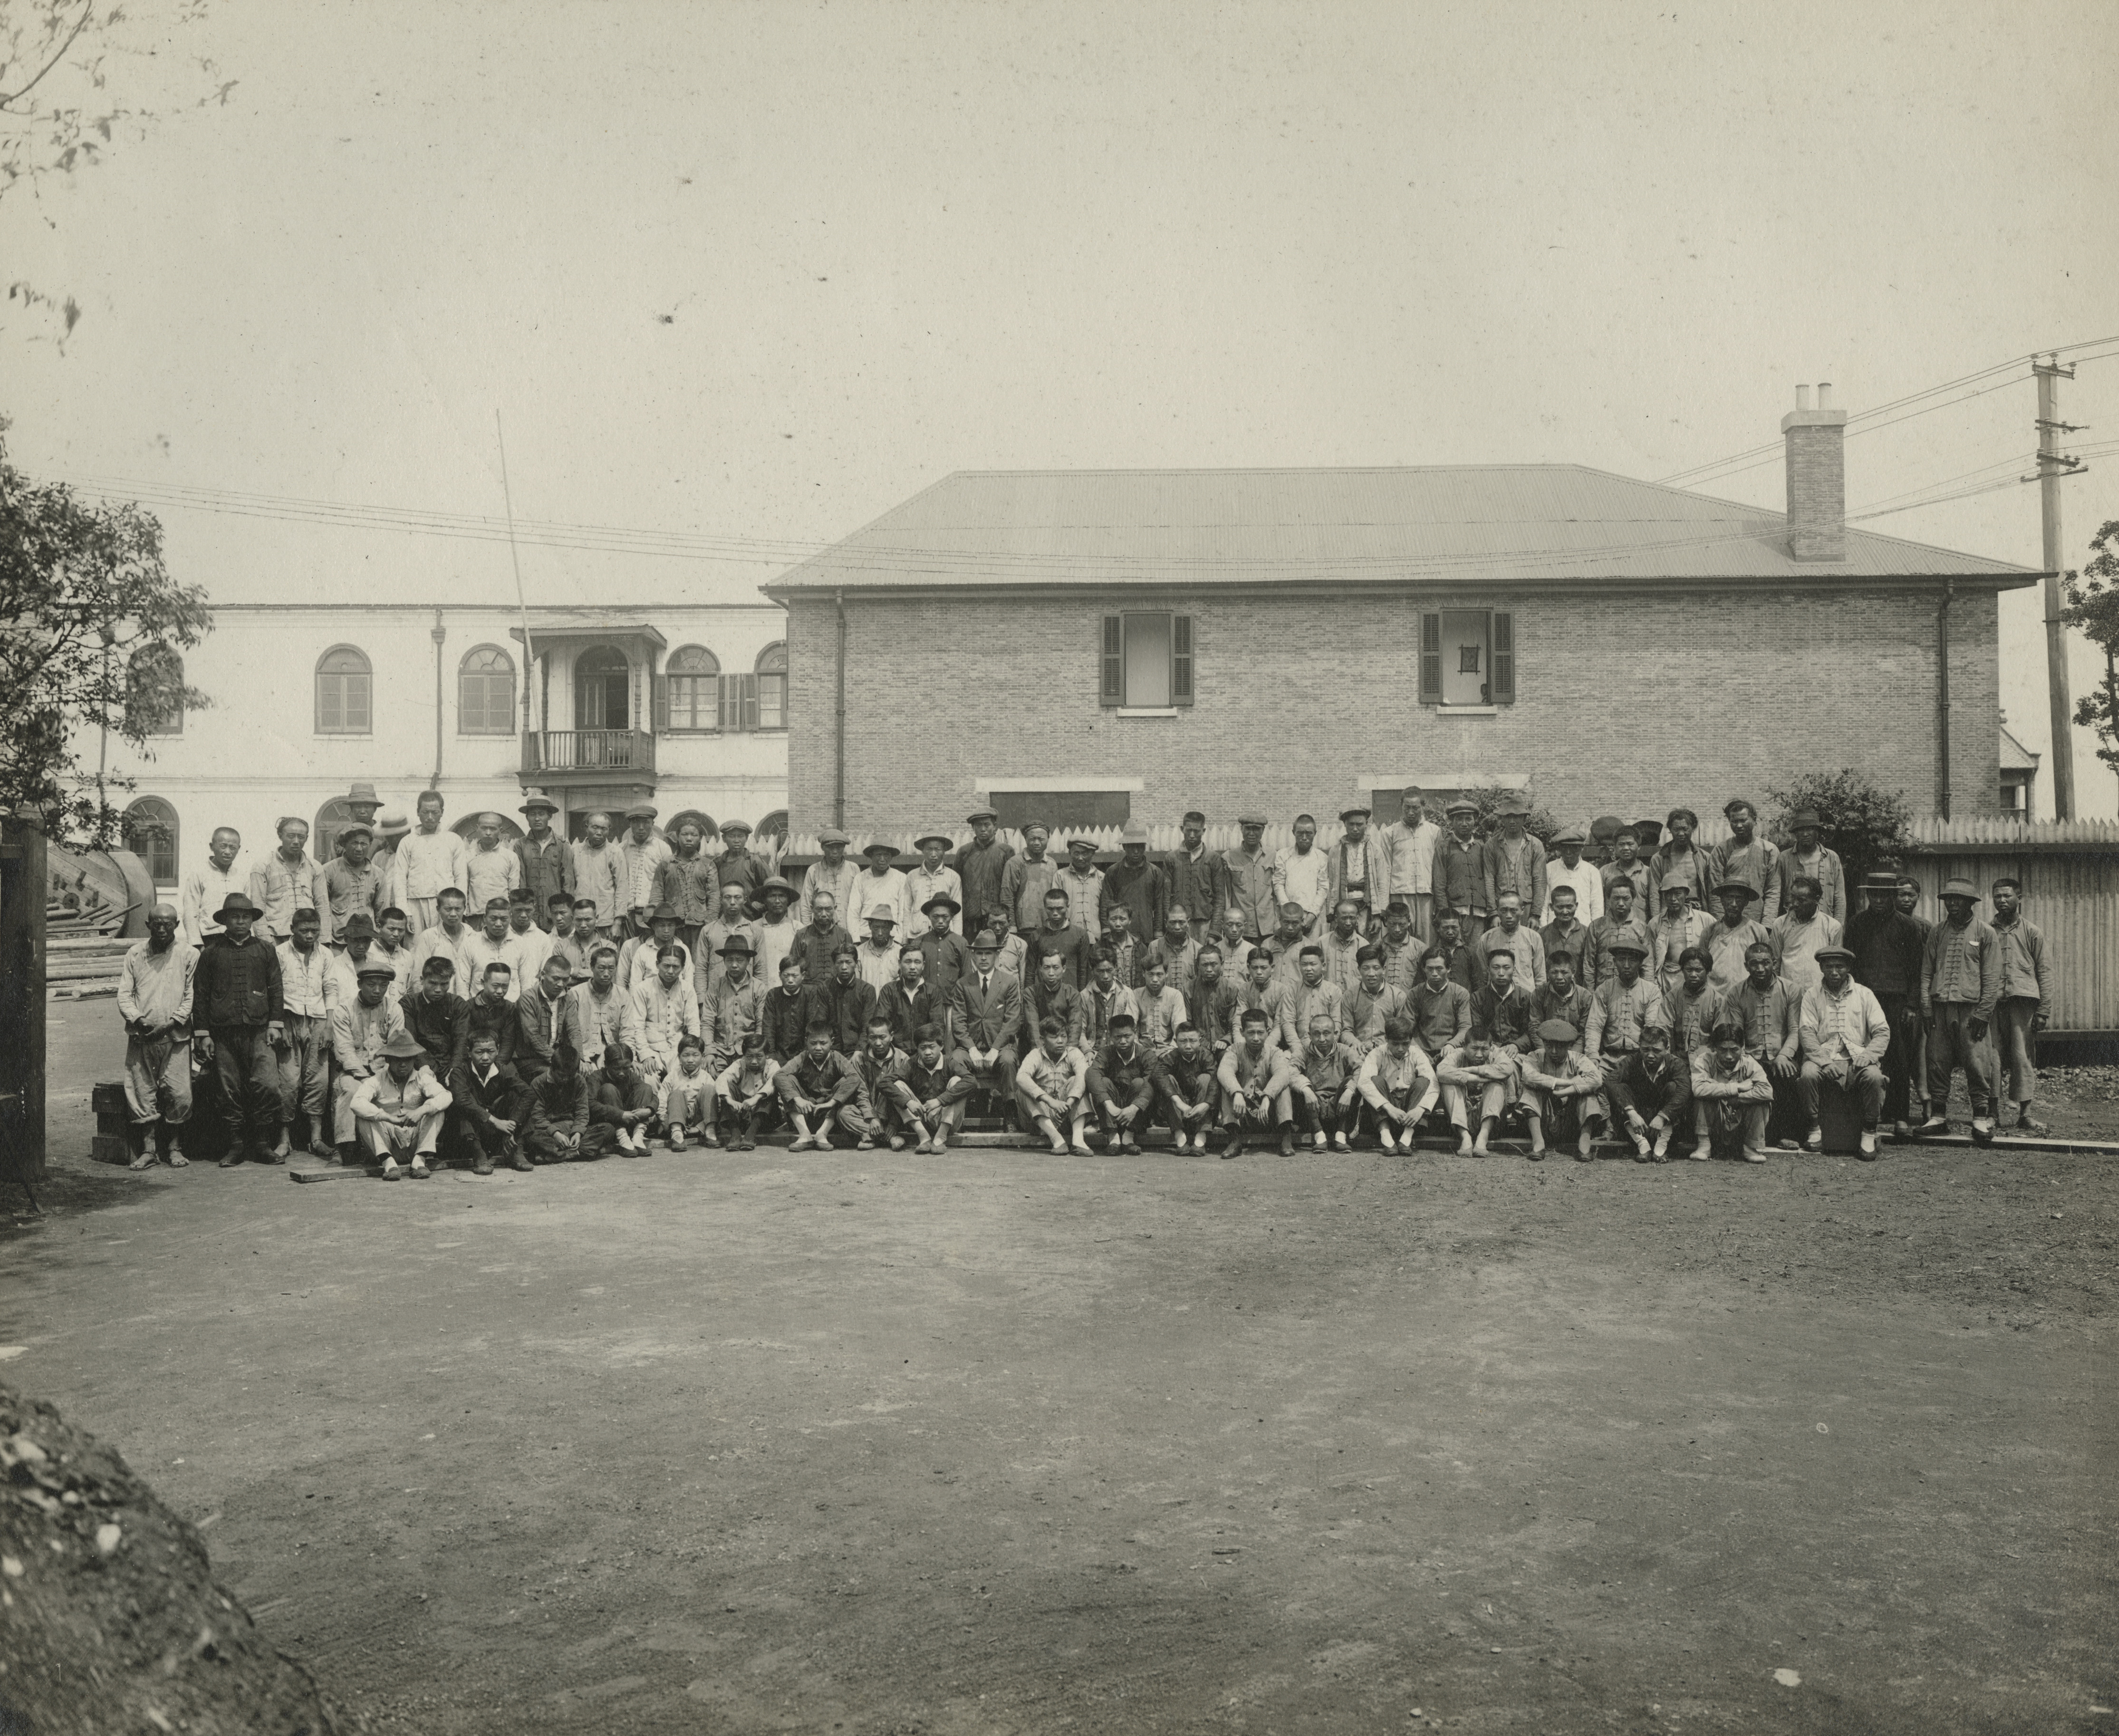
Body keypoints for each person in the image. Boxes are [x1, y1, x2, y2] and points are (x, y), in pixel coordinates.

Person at [191, 891, 286, 1166]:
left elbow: (277, 989)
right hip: (223, 1033)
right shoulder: (211, 954)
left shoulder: (266, 950)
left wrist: (275, 1024)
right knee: (228, 1089)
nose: (241, 922)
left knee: (267, 1086)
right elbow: (201, 996)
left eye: (246, 917)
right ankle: (235, 1145)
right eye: (235, 917)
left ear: (252, 920)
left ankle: (262, 1144)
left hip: (259, 1031)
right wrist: (204, 1034)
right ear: (225, 921)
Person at [1845, 869, 1927, 1138]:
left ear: (1893, 896)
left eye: (1885, 895)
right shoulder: (1857, 924)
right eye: (1874, 894)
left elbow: (1917, 970)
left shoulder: (1908, 926)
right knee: (1861, 1053)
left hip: (1896, 1000)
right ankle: (1868, 1113)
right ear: (1868, 895)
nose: (1879, 900)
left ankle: (1901, 1116)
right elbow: (1850, 965)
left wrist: (1912, 1005)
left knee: (1898, 1057)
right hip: (1864, 998)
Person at [1919, 876, 2000, 1143]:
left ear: (1970, 903)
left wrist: (1984, 1013)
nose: (1953, 904)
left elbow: (1992, 978)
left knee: (1977, 1063)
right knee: (1937, 1061)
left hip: (1972, 1011)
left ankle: (1980, 1118)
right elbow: (1926, 973)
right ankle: (1939, 1117)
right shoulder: (1937, 932)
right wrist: (1926, 1007)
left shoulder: (1985, 933)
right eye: (1949, 900)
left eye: (1959, 900)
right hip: (1940, 1008)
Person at [116, 902, 196, 1170]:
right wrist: (138, 1020)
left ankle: (175, 1148)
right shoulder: (135, 954)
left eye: (168, 923)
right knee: (141, 1092)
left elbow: (191, 996)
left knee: (180, 1093)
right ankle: (149, 1150)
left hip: (176, 1037)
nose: (162, 928)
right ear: (148, 925)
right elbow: (125, 994)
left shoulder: (189, 954)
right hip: (142, 1037)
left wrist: (171, 1023)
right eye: (157, 924)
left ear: (177, 924)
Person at [1798, 944, 1891, 1159]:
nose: (1834, 972)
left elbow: (1882, 1031)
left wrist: (1868, 1056)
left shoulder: (1864, 994)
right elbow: (1807, 1033)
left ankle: (1868, 1132)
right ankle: (1815, 1129)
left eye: (1840, 967)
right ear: (1821, 968)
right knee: (1808, 1075)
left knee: (1875, 1077)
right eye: (1829, 967)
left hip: (1857, 1057)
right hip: (1823, 1057)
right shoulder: (1812, 996)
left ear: (1848, 967)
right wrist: (1824, 1062)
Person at [1988, 875, 2054, 1133]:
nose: (2002, 901)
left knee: (2022, 1057)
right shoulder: (1986, 930)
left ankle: (2025, 1113)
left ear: (2019, 898)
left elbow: (2045, 972)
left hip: (2023, 1004)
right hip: (1992, 1005)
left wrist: (2044, 1010)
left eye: (2007, 896)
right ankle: (1991, 1113)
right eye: (1997, 896)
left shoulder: (2032, 932)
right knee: (1991, 1058)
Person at [1724, 943, 1801, 1148]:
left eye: (1766, 963)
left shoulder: (1791, 990)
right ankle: (1747, 1135)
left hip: (1781, 1055)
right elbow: (1737, 1034)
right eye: (1754, 964)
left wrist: (1785, 1055)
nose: (1760, 969)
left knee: (1787, 1075)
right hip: (1750, 1056)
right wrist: (1747, 1060)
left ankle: (1785, 1134)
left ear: (1774, 964)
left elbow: (1795, 1030)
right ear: (1746, 966)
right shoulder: (1736, 993)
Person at [349, 1030, 453, 1179]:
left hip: (415, 1143)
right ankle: (388, 1164)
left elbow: (446, 1096)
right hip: (387, 1144)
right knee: (365, 1116)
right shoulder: (378, 1079)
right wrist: (387, 1117)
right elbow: (356, 1103)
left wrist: (421, 1111)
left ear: (415, 1059)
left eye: (408, 1059)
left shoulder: (422, 1077)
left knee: (436, 1109)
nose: (403, 1064)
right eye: (398, 1059)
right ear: (388, 1059)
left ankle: (419, 1161)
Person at [273, 907, 334, 1159]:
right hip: (289, 1019)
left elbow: (330, 988)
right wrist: (279, 1024)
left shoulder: (326, 954)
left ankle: (316, 1139)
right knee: (287, 1082)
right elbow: (274, 990)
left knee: (318, 1081)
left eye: (315, 931)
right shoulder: (279, 953)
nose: (310, 936)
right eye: (304, 931)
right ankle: (284, 1139)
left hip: (319, 1020)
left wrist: (329, 1025)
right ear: (292, 930)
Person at [328, 962, 404, 1164]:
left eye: (384, 985)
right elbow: (345, 1050)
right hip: (354, 1073)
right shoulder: (345, 1009)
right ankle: (343, 1149)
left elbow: (396, 1048)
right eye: (371, 984)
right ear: (360, 983)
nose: (378, 990)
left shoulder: (394, 1009)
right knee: (353, 1092)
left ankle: (392, 1148)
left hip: (385, 1072)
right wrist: (365, 1078)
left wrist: (383, 1077)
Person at [950, 929, 1021, 1108]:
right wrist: (972, 1049)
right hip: (971, 1046)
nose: (983, 958)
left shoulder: (1009, 982)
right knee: (956, 1059)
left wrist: (996, 1049)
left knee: (1008, 1061)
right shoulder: (963, 984)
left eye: (988, 953)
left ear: (997, 955)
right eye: (979, 953)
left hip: (1000, 1047)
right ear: (973, 956)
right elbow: (958, 1022)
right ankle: (964, 1112)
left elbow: (1012, 1022)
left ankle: (1010, 1115)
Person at [1518, 1017, 1605, 1162]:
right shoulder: (1535, 1056)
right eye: (1549, 1045)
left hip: (1570, 1122)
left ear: (1569, 1046)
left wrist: (1566, 1091)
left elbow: (1596, 1079)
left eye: (1559, 1047)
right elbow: (1529, 1076)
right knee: (1530, 1089)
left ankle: (1584, 1146)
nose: (1553, 1051)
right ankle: (1538, 1144)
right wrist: (1569, 1082)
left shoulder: (1578, 1059)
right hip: (1543, 1121)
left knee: (1588, 1094)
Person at [449, 1029, 532, 1176]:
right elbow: (462, 1100)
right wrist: (494, 1121)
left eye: (491, 1052)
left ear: (498, 1050)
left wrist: (511, 1125)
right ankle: (479, 1156)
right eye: (480, 1052)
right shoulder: (460, 1072)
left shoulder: (504, 1070)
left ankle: (516, 1150)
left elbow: (529, 1093)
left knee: (517, 1096)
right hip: (472, 1134)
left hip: (498, 1134)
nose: (486, 1057)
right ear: (469, 1052)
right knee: (464, 1106)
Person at [1604, 1019, 1689, 1162]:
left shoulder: (1675, 1064)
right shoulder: (1632, 1062)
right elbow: (1610, 1082)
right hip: (1637, 1125)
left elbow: (1685, 1089)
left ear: (1667, 1049)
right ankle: (1642, 1146)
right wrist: (1631, 1113)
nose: (1650, 1055)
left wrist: (1663, 1116)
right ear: (1640, 1048)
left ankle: (1661, 1148)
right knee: (1620, 1088)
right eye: (1645, 1050)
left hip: (1666, 1126)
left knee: (1675, 1088)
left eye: (1656, 1051)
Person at [1217, 1008, 1296, 1159]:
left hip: (1268, 1115)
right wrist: (1237, 1093)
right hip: (1243, 1114)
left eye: (1260, 1033)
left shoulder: (1275, 1052)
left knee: (1283, 1085)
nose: (1256, 1038)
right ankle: (1235, 1140)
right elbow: (1224, 1071)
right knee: (1227, 1086)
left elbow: (1283, 1074)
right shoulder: (1234, 1050)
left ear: (1268, 1032)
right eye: (1251, 1033)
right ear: (1242, 1032)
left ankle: (1286, 1138)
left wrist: (1267, 1097)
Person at [1690, 1020, 1774, 1162]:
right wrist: (1737, 1088)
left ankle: (1750, 1147)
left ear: (1743, 1048)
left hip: (1741, 1124)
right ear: (1715, 1048)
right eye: (1723, 1050)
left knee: (1762, 1102)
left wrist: (1737, 1098)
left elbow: (1767, 1091)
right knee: (1702, 1095)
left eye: (1734, 1050)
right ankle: (1704, 1145)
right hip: (1715, 1125)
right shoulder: (1704, 1061)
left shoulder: (1750, 1063)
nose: (1729, 1056)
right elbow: (1698, 1089)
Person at [1356, 1015, 1440, 1156]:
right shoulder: (1377, 1054)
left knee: (1423, 1082)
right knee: (1375, 1080)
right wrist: (1389, 1108)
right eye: (1395, 1044)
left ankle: (1407, 1137)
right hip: (1386, 1110)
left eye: (1405, 1044)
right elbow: (1363, 1083)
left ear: (1411, 1041)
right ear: (1386, 1040)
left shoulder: (1417, 1054)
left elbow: (1434, 1083)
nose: (1401, 1049)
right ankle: (1386, 1136)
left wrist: (1420, 1109)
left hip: (1409, 1110)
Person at [776, 1024, 864, 1151]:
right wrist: (798, 1099)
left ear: (832, 1042)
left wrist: (832, 1103)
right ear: (806, 1042)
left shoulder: (837, 1058)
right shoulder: (802, 1057)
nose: (818, 1048)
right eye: (813, 1043)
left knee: (847, 1082)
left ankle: (822, 1134)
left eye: (823, 1043)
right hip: (806, 1112)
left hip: (830, 1115)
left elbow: (855, 1078)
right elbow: (779, 1075)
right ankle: (805, 1135)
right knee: (788, 1080)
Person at [524, 1042, 614, 1164]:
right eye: (561, 1076)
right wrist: (556, 1134)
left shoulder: (580, 1081)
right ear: (552, 1068)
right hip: (549, 1131)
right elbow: (537, 1116)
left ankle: (560, 1155)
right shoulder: (538, 1083)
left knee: (608, 1129)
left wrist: (577, 1133)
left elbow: (582, 1112)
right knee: (530, 1136)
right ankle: (583, 1152)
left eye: (570, 1076)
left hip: (571, 1128)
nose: (565, 1079)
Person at [392, 791, 468, 932]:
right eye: (426, 812)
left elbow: (461, 877)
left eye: (435, 812)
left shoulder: (453, 840)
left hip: (446, 906)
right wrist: (404, 911)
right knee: (416, 949)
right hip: (415, 904)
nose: (430, 817)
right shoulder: (408, 841)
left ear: (442, 812)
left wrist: (459, 909)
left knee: (445, 947)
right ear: (418, 812)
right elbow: (400, 878)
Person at [1583, 940, 1660, 1076]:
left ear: (1641, 963)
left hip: (1639, 1059)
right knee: (1592, 1082)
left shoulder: (1651, 992)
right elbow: (1595, 1025)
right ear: (1614, 962)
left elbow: (1651, 1029)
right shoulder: (1604, 990)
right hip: (1608, 1060)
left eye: (1632, 960)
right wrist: (1593, 1056)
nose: (1626, 965)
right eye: (1621, 960)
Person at [1017, 1016, 1092, 1155]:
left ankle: (1078, 1141)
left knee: (1078, 1079)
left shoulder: (1074, 1053)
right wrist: (1051, 1102)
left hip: (1067, 1118)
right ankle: (1056, 1139)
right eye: (1054, 1037)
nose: (1060, 1041)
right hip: (1040, 1123)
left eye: (1064, 1036)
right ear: (1042, 1040)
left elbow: (1083, 1075)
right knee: (1023, 1089)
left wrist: (1067, 1104)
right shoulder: (1036, 1054)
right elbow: (1021, 1077)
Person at [249, 816, 330, 943]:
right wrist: (266, 943)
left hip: (308, 939)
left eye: (301, 837)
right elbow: (258, 907)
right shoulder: (263, 866)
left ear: (307, 838)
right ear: (280, 836)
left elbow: (323, 907)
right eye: (291, 836)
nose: (296, 841)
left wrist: (324, 941)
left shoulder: (315, 867)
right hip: (276, 939)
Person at [1435, 1033, 1517, 1158]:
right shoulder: (1457, 1054)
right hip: (1460, 1120)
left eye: (1484, 1049)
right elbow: (1441, 1071)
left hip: (1490, 1123)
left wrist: (1473, 1070)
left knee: (1497, 1084)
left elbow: (1508, 1069)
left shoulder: (1497, 1053)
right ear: (1464, 1046)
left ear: (1491, 1047)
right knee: (1449, 1084)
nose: (1479, 1055)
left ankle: (1483, 1138)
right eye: (1474, 1049)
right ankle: (1465, 1137)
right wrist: (1471, 1078)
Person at [894, 1023, 972, 1153]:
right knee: (897, 1086)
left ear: (941, 1046)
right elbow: (885, 1083)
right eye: (923, 1048)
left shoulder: (949, 1062)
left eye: (932, 1047)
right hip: (921, 1120)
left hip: (947, 1122)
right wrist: (909, 1102)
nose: (928, 1052)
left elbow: (971, 1081)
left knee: (958, 1081)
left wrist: (940, 1100)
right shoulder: (912, 1064)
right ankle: (924, 1137)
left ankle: (940, 1138)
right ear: (917, 1049)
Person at [629, 946, 702, 1083]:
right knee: (649, 1080)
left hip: (677, 1051)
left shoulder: (687, 989)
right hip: (651, 1050)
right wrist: (646, 1056)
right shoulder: (643, 989)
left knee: (686, 1081)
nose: (670, 971)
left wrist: (689, 1054)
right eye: (666, 966)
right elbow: (637, 1026)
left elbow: (693, 1025)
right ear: (657, 965)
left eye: (676, 967)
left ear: (683, 968)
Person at [1088, 1012, 1156, 1154]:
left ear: (1135, 1033)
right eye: (1118, 1037)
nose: (1123, 1041)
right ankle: (1113, 1138)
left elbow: (1151, 1082)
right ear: (1111, 1037)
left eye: (1127, 1036)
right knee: (1103, 1081)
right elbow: (1092, 1074)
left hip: (1136, 1113)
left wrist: (1134, 1108)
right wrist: (1110, 1105)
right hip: (1113, 1111)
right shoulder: (1106, 1053)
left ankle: (1128, 1138)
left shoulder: (1147, 1055)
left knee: (1141, 1083)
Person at [652, 815, 720, 955]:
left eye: (694, 835)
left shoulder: (708, 865)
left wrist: (709, 925)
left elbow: (714, 897)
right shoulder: (666, 864)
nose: (689, 838)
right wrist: (660, 924)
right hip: (672, 927)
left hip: (700, 927)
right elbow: (657, 895)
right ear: (678, 836)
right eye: (685, 834)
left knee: (698, 963)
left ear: (700, 837)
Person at [1291, 1011, 1358, 1151]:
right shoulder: (1303, 1052)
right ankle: (1319, 1136)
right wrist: (1306, 1089)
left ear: (1335, 1033)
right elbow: (1291, 1071)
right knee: (1300, 1086)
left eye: (1326, 1033)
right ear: (1309, 1035)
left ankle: (1341, 1135)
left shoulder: (1345, 1051)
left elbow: (1362, 1070)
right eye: (1317, 1034)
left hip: (1339, 1109)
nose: (1322, 1039)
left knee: (1352, 1081)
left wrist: (1350, 1091)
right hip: (1314, 1110)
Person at [1380, 788, 1443, 940]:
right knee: (1399, 937)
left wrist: (1440, 902)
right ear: (1401, 806)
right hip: (1399, 894)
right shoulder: (1390, 833)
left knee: (1426, 940)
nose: (1411, 812)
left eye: (1415, 808)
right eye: (1407, 808)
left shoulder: (1434, 831)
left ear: (1423, 806)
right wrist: (1384, 905)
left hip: (1426, 895)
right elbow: (1385, 868)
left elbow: (1439, 869)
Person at [1162, 811, 1231, 944]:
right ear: (1182, 829)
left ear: (1204, 831)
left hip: (1205, 926)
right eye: (1189, 831)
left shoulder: (1213, 858)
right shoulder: (1171, 858)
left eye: (1197, 831)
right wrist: (1170, 928)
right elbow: (1166, 898)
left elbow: (1220, 898)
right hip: (1178, 926)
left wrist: (1214, 931)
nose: (1192, 835)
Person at [1150, 1024, 1219, 1153]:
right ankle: (1179, 1136)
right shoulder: (1172, 1056)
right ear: (1176, 1042)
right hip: (1178, 1113)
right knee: (1168, 1079)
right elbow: (1157, 1074)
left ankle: (1201, 1137)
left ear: (1199, 1040)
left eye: (1192, 1041)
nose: (1188, 1046)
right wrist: (1179, 1103)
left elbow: (1215, 1080)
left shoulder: (1206, 1056)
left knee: (1206, 1078)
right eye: (1183, 1041)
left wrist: (1206, 1104)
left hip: (1202, 1112)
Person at [949, 806, 1016, 938]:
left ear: (995, 826)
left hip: (996, 920)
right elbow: (955, 884)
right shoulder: (964, 852)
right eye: (979, 825)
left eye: (987, 825)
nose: (983, 829)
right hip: (970, 920)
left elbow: (1011, 886)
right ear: (973, 828)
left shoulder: (1006, 851)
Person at [1480, 796, 1547, 929]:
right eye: (1508, 816)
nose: (1512, 821)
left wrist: (1535, 915)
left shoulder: (1535, 845)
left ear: (1524, 818)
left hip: (1526, 909)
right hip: (1502, 909)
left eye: (1516, 816)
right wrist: (1494, 914)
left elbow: (1539, 882)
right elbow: (1489, 880)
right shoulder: (1492, 845)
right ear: (1502, 819)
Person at [842, 1017, 907, 1152]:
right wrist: (872, 1118)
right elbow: (860, 1092)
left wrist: (894, 1125)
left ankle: (871, 1137)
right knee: (843, 1113)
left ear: (892, 1037)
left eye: (883, 1037)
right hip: (867, 1115)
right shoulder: (858, 1059)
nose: (878, 1043)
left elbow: (903, 1096)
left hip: (893, 1115)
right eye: (873, 1038)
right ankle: (890, 1139)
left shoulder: (903, 1059)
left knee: (894, 1087)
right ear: (867, 1038)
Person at [1711, 799, 1781, 922]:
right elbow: (1716, 892)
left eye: (1743, 820)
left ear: (1755, 820)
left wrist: (1767, 924)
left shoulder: (1770, 850)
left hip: (1757, 920)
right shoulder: (1721, 851)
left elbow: (1773, 890)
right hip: (1728, 921)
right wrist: (1720, 923)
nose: (1739, 825)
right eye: (1734, 821)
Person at [1771, 875, 1842, 996]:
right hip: (1788, 995)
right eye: (1793, 897)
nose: (1794, 904)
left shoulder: (1832, 927)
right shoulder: (1780, 924)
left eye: (1801, 900)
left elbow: (1836, 966)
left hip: (1821, 995)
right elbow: (1775, 963)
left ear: (1816, 899)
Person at [560, 945, 628, 1070]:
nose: (607, 974)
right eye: (601, 968)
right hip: (584, 1052)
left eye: (611, 969)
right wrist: (581, 1059)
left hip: (612, 1053)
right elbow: (570, 1032)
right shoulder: (576, 993)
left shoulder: (622, 994)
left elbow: (628, 1031)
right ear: (592, 967)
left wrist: (625, 1056)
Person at [514, 792, 574, 930]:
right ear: (527, 817)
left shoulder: (562, 845)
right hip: (529, 915)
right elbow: (521, 880)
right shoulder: (521, 846)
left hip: (554, 915)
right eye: (533, 814)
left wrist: (565, 912)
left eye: (541, 814)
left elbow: (568, 881)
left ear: (550, 816)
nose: (537, 819)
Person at [1327, 801, 1390, 931]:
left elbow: (1382, 884)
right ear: (1345, 824)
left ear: (1367, 824)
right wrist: (1333, 916)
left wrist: (1378, 916)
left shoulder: (1375, 850)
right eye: (1351, 824)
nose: (1355, 829)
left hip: (1367, 907)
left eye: (1360, 824)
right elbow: (1332, 884)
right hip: (1344, 907)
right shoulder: (1336, 851)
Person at [1704, 880, 1775, 994]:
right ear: (1722, 900)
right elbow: (1702, 967)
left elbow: (1768, 966)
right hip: (1716, 997)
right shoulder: (1710, 932)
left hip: (1748, 996)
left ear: (1746, 902)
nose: (1734, 904)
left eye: (1739, 899)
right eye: (1729, 898)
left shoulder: (1758, 931)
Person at [1774, 809, 1845, 921]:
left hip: (1825, 924)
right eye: (1801, 830)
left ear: (1817, 831)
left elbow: (1839, 898)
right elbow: (1776, 893)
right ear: (1795, 833)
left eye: (1810, 829)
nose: (1805, 834)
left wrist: (1839, 927)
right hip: (1793, 924)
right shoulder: (1784, 858)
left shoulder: (1832, 858)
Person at [181, 825, 247, 948]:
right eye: (223, 846)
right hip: (209, 939)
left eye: (233, 847)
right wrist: (197, 945)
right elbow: (191, 911)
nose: (228, 852)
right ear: (212, 846)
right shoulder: (199, 874)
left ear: (239, 848)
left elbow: (248, 913)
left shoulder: (242, 877)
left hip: (238, 940)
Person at [1273, 944, 1343, 1057]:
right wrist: (1297, 1049)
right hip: (1298, 1048)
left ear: (1323, 966)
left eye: (1313, 964)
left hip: (1327, 1048)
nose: (1308, 969)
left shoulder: (1334, 991)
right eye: (1304, 965)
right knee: (1283, 1062)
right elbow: (1288, 1022)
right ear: (1299, 966)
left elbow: (1337, 1024)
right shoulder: (1292, 990)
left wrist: (1326, 1047)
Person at [514, 952, 573, 1087]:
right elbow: (532, 1037)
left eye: (565, 980)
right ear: (543, 975)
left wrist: (579, 1060)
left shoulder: (568, 997)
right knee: (556, 1076)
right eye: (556, 978)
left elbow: (574, 1030)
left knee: (579, 1073)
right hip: (529, 1060)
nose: (561, 984)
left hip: (555, 1060)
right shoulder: (528, 998)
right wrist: (559, 1061)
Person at [1407, 951, 1472, 1072]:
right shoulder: (1415, 994)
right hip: (1420, 1051)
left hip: (1450, 1051)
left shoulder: (1460, 993)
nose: (1434, 974)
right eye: (1430, 969)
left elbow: (1466, 1027)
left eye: (1439, 969)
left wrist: (1452, 1044)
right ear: (1423, 969)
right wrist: (1417, 1050)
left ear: (1448, 969)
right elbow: (1406, 1027)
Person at [321, 822, 385, 943]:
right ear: (344, 844)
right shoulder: (329, 870)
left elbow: (381, 910)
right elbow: (322, 907)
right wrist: (326, 940)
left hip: (368, 940)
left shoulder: (378, 874)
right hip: (338, 940)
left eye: (364, 844)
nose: (359, 849)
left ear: (370, 845)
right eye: (354, 843)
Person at [404, 954, 467, 1076]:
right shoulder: (409, 1004)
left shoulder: (458, 1004)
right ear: (422, 980)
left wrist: (455, 1070)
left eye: (444, 984)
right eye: (433, 983)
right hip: (420, 1067)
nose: (438, 989)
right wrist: (426, 1067)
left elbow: (461, 1042)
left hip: (450, 1066)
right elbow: (411, 1041)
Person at [590, 1042, 659, 1154]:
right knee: (608, 1089)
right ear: (606, 1064)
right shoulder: (596, 1077)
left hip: (630, 1124)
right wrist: (620, 1115)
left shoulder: (630, 1076)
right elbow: (591, 1104)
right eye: (616, 1069)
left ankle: (638, 1136)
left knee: (645, 1087)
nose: (622, 1073)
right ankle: (622, 1138)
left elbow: (652, 1096)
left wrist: (649, 1110)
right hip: (611, 1128)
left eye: (626, 1068)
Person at [714, 1034, 779, 1151]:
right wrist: (730, 1100)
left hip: (765, 1120)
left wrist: (757, 1098)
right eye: (749, 1057)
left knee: (772, 1087)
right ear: (744, 1056)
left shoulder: (773, 1065)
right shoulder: (740, 1064)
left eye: (759, 1057)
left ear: (767, 1055)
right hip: (744, 1116)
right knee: (728, 1088)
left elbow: (773, 1082)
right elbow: (722, 1079)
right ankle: (735, 1135)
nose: (754, 1061)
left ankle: (751, 1135)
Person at [453, 961, 520, 1073]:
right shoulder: (468, 1007)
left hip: (500, 1061)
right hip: (473, 1060)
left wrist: (497, 1066)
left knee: (512, 1077)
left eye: (505, 987)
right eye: (495, 986)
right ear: (483, 982)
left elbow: (508, 1042)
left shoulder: (509, 1008)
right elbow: (464, 1040)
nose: (500, 991)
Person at [1470, 947, 1537, 1059]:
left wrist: (1517, 1045)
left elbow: (1531, 1031)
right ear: (1488, 969)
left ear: (1514, 970)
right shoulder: (1478, 998)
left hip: (1518, 1052)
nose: (1501, 973)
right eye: (1496, 968)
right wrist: (1492, 1047)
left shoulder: (1525, 997)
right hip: (1488, 1051)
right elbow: (1477, 1030)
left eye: (1506, 968)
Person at [999, 823, 1063, 940]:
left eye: (1041, 839)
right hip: (1023, 929)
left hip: (1048, 927)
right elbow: (1007, 897)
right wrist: (1012, 926)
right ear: (1026, 839)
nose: (1037, 843)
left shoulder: (1052, 864)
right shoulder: (1015, 863)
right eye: (1033, 839)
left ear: (1048, 839)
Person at [1650, 880, 1714, 994]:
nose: (1673, 899)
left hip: (1696, 978)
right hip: (1666, 980)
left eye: (1678, 894)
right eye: (1668, 894)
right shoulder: (1655, 924)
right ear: (1663, 896)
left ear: (1687, 894)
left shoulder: (1705, 919)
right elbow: (1651, 958)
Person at [460, 897, 527, 1005]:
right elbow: (463, 985)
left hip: (511, 1012)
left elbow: (526, 984)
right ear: (485, 918)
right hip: (478, 1011)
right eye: (494, 918)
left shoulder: (520, 944)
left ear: (510, 918)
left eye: (504, 919)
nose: (499, 924)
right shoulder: (470, 943)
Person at [618, 805, 673, 938]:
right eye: (636, 823)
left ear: (653, 824)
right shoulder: (621, 849)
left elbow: (668, 882)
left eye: (646, 823)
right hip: (628, 912)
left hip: (652, 912)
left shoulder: (662, 848)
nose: (641, 827)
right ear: (630, 824)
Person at [816, 945, 879, 1059]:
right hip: (831, 1050)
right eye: (840, 963)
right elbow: (821, 1023)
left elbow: (868, 1025)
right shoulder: (825, 988)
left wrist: (860, 1050)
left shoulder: (866, 990)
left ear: (856, 963)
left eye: (849, 962)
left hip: (858, 1050)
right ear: (834, 965)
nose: (844, 967)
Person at [1432, 798, 1486, 930]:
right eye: (1459, 819)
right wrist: (1445, 913)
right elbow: (1439, 883)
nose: (1464, 824)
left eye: (1469, 819)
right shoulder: (1444, 847)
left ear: (1475, 821)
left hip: (1479, 912)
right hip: (1454, 913)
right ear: (1452, 822)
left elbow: (1489, 879)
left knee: (1476, 949)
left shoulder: (1482, 847)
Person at [1271, 814, 1329, 937]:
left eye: (1309, 834)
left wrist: (1312, 915)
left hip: (1313, 917)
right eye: (1300, 833)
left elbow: (1323, 888)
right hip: (1287, 917)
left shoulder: (1322, 858)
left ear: (1315, 833)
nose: (1304, 838)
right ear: (1293, 832)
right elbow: (1278, 884)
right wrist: (1289, 913)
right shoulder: (1283, 855)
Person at [876, 944, 941, 1055]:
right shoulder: (889, 991)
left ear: (923, 965)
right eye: (908, 962)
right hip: (895, 1054)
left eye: (917, 962)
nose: (912, 967)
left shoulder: (933, 991)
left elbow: (937, 1027)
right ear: (900, 964)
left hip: (924, 1054)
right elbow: (882, 1025)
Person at [1224, 814, 1278, 943]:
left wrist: (1278, 922)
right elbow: (1227, 895)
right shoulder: (1229, 857)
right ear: (1241, 829)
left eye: (1256, 829)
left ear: (1263, 831)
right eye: (1248, 829)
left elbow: (1277, 891)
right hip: (1241, 927)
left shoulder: (1273, 856)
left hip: (1268, 926)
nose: (1252, 833)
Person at [700, 883, 760, 999]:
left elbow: (760, 968)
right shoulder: (708, 931)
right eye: (728, 897)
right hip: (715, 998)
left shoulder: (755, 930)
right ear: (721, 900)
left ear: (745, 900)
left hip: (747, 998)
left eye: (737, 898)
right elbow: (701, 968)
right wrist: (702, 1001)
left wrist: (759, 999)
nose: (733, 902)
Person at [409, 887, 474, 993]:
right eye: (448, 909)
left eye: (458, 909)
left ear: (464, 908)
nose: (453, 914)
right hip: (438, 1001)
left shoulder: (474, 937)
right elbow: (419, 977)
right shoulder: (428, 937)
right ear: (438, 909)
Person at [805, 828, 865, 942]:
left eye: (839, 847)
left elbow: (860, 903)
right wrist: (808, 934)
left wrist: (856, 934)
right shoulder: (813, 870)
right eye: (830, 847)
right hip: (821, 932)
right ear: (822, 847)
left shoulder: (854, 869)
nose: (835, 852)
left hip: (848, 931)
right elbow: (806, 905)